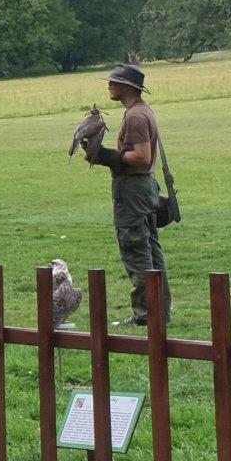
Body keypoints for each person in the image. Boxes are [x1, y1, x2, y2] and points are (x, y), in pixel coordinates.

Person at [82, 63, 170, 327]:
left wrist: (108, 156)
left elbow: (141, 157)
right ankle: (160, 312)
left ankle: (146, 316)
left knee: (136, 250)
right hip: (143, 188)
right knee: (151, 250)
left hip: (133, 189)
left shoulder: (135, 117)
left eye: (114, 82)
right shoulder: (141, 111)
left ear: (128, 87)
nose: (109, 86)